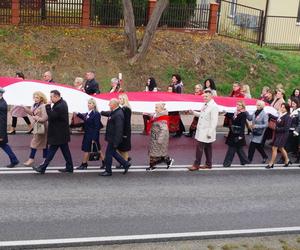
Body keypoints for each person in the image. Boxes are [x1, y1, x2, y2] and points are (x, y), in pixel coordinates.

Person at [32, 90, 73, 174]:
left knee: (52, 151)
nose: (50, 98)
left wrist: (48, 107)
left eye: (51, 97)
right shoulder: (61, 103)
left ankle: (43, 168)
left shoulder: (60, 106)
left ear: (57, 97)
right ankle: (70, 167)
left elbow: (52, 116)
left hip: (58, 133)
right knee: (65, 151)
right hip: (61, 133)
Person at [188, 89, 219, 171]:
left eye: (206, 96)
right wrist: (193, 112)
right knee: (208, 148)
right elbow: (202, 114)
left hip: (207, 132)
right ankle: (209, 164)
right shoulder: (205, 104)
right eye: (204, 96)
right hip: (202, 130)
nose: (204, 97)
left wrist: (210, 132)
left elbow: (214, 121)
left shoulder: (213, 107)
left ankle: (196, 165)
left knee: (199, 147)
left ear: (211, 96)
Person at [100, 98, 131, 176]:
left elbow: (119, 129)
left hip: (113, 139)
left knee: (108, 155)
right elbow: (109, 113)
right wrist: (101, 112)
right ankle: (125, 164)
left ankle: (108, 171)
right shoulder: (115, 111)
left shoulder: (118, 114)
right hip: (112, 137)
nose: (108, 105)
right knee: (113, 153)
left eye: (110, 103)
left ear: (114, 105)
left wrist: (116, 142)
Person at [75, 98, 104, 170]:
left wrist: (94, 138)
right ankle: (105, 162)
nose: (88, 104)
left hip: (92, 135)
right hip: (88, 134)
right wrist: (78, 114)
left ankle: (84, 164)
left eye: (90, 103)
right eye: (88, 103)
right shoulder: (89, 113)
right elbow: (85, 119)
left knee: (87, 150)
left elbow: (97, 127)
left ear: (94, 105)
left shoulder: (96, 114)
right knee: (98, 150)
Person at [23, 91, 48, 167]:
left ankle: (31, 159)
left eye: (37, 97)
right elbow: (32, 113)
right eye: (34, 97)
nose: (35, 99)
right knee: (44, 143)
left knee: (35, 142)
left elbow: (45, 118)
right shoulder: (35, 105)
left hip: (41, 125)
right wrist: (24, 108)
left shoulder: (43, 106)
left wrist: (36, 117)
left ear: (41, 98)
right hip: (37, 125)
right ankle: (46, 159)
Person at [147, 103, 174, 171]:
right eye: (155, 107)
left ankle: (152, 166)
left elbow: (164, 129)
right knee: (158, 152)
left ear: (161, 109)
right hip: (156, 136)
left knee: (156, 152)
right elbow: (155, 117)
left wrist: (160, 139)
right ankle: (168, 161)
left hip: (159, 137)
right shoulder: (158, 114)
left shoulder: (163, 117)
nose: (155, 109)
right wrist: (149, 114)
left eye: (157, 107)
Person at [223, 101, 250, 167]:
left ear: (242, 106)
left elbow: (242, 125)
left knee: (231, 149)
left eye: (239, 105)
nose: (238, 106)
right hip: (233, 132)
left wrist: (241, 135)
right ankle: (244, 161)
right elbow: (229, 115)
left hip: (238, 134)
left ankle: (227, 163)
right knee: (239, 149)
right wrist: (224, 111)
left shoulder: (243, 114)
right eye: (237, 105)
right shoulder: (235, 113)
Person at [266, 103, 292, 169]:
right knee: (281, 148)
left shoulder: (288, 117)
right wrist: (269, 115)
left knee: (274, 148)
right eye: (281, 107)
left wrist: (276, 128)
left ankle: (271, 163)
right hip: (278, 134)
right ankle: (287, 160)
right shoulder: (281, 115)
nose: (282, 108)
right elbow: (276, 118)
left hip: (283, 134)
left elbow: (286, 128)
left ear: (287, 109)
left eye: (284, 107)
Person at [0, 88, 19, 168]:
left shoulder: (2, 105)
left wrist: (1, 135)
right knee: (4, 145)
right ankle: (14, 160)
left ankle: (14, 160)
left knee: (4, 145)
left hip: (0, 130)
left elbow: (2, 121)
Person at [116, 93, 132, 165]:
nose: (118, 100)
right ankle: (126, 159)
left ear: (124, 100)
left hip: (124, 131)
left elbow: (126, 122)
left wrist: (124, 134)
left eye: (120, 99)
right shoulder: (123, 108)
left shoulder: (126, 109)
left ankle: (125, 162)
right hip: (123, 131)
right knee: (121, 148)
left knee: (123, 148)